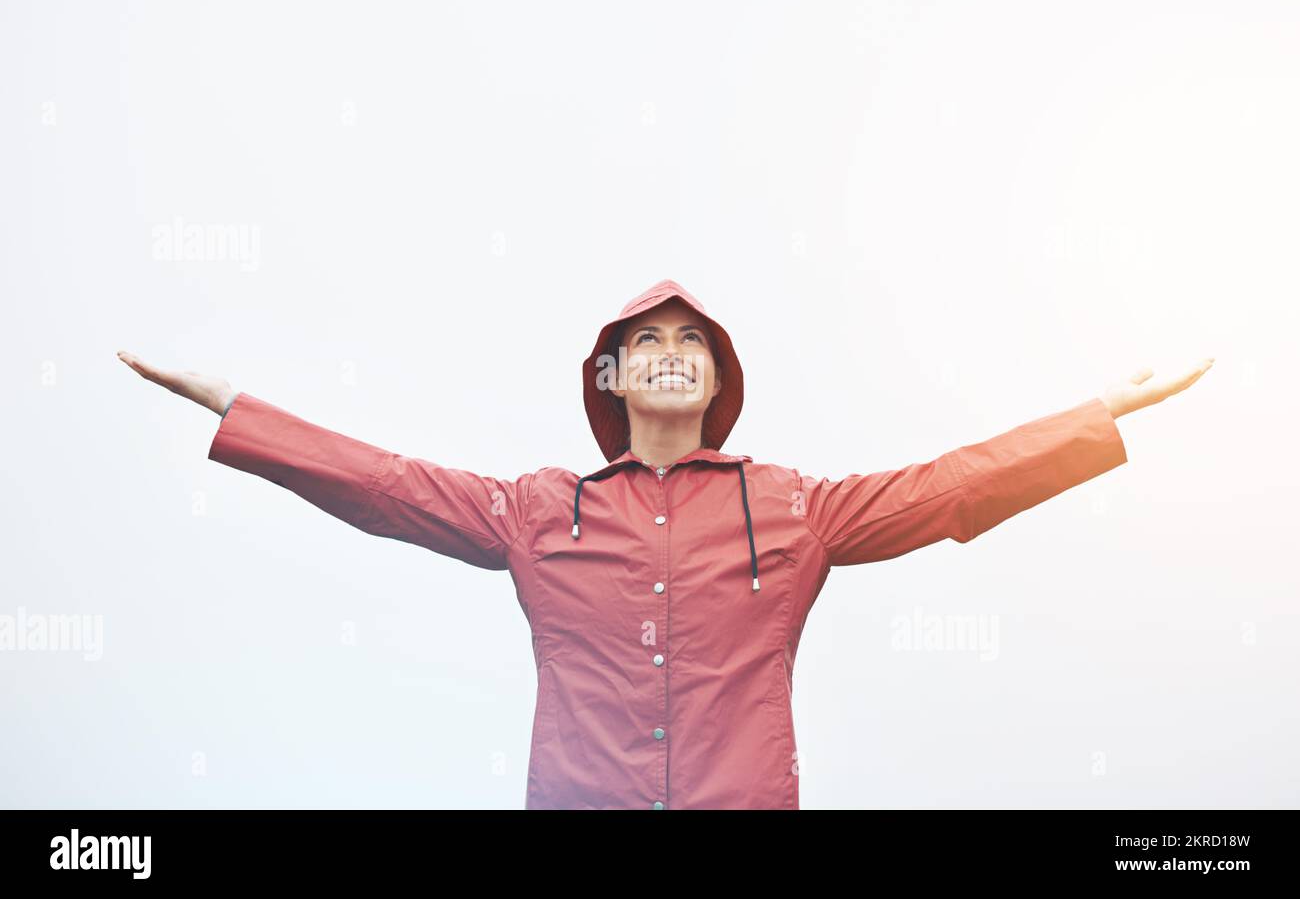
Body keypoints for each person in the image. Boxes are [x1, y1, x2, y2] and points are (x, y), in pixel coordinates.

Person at [118, 278, 1213, 809]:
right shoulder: (539, 512)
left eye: (693, 342)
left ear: (719, 381)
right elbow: (386, 485)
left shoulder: (793, 507)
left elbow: (949, 488)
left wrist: (1094, 415)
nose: (671, 353)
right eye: (647, 342)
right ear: (614, 378)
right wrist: (239, 409)